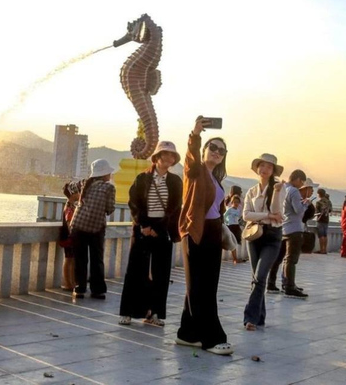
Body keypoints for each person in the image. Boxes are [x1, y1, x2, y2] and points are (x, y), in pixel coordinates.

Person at [175, 117, 233, 355]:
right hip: (196, 232)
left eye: (222, 150)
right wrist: (196, 134)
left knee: (205, 285)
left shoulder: (216, 179)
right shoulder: (195, 170)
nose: (217, 152)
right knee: (200, 286)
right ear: (205, 150)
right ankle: (211, 338)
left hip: (212, 233)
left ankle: (187, 334)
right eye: (214, 148)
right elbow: (190, 155)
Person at [119, 141, 183, 327]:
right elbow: (134, 203)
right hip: (142, 227)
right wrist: (144, 225)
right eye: (166, 154)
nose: (169, 158)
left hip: (163, 229)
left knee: (161, 273)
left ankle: (155, 313)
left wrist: (159, 229)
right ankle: (127, 312)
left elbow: (175, 208)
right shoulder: (142, 178)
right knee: (135, 270)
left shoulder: (175, 181)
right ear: (157, 157)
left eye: (173, 156)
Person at [241, 153, 284, 330]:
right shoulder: (252, 191)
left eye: (269, 166)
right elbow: (246, 215)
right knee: (257, 278)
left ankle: (249, 318)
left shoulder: (280, 188)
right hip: (254, 235)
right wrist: (266, 215)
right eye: (262, 165)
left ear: (273, 170)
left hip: (272, 236)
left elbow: (277, 213)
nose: (264, 169)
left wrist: (276, 193)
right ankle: (260, 317)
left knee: (259, 277)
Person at [69, 159, 116, 299]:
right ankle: (97, 290)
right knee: (97, 259)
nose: (110, 175)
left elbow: (68, 188)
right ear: (104, 174)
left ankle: (79, 289)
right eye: (109, 172)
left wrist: (72, 202)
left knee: (80, 259)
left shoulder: (84, 184)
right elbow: (109, 209)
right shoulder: (109, 188)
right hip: (96, 228)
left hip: (78, 226)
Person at [281, 169, 310, 299]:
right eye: (302, 181)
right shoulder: (294, 191)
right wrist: (306, 204)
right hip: (294, 228)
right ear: (297, 179)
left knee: (286, 259)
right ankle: (290, 287)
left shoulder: (285, 189)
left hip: (285, 227)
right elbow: (298, 211)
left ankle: (286, 283)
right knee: (292, 259)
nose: (302, 184)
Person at [59, 181, 82, 291]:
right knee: (69, 260)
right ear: (73, 193)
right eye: (78, 191)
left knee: (71, 260)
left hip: (71, 237)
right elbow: (69, 222)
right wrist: (73, 235)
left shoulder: (72, 205)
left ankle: (72, 282)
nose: (80, 193)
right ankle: (68, 283)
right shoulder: (70, 206)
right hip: (70, 237)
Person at [224, 195, 244, 264]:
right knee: (231, 241)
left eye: (238, 202)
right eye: (235, 202)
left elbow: (239, 218)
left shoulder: (238, 210)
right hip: (230, 226)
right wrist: (226, 222)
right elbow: (224, 216)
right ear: (232, 202)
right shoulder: (229, 209)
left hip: (236, 226)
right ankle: (234, 258)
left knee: (238, 241)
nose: (236, 203)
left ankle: (237, 258)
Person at [314, 189, 332, 254]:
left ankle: (321, 249)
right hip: (326, 219)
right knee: (325, 235)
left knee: (321, 235)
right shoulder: (328, 201)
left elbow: (316, 212)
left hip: (320, 219)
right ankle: (325, 249)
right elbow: (330, 210)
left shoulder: (318, 202)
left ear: (319, 194)